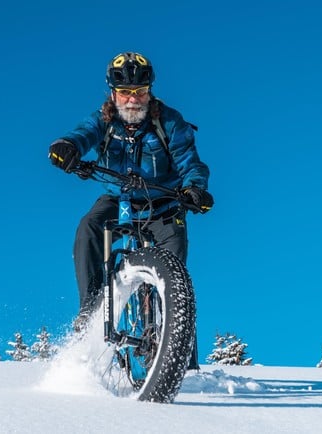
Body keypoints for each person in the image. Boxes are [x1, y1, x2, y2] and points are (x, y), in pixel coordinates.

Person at [48, 51, 213, 335]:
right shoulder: (103, 120)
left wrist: (195, 189)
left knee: (176, 278)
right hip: (118, 199)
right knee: (89, 227)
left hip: (165, 202)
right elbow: (82, 134)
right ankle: (91, 311)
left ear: (149, 91)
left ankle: (176, 345)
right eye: (125, 92)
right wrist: (67, 147)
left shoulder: (170, 122)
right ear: (113, 93)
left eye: (140, 91)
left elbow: (190, 162)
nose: (133, 99)